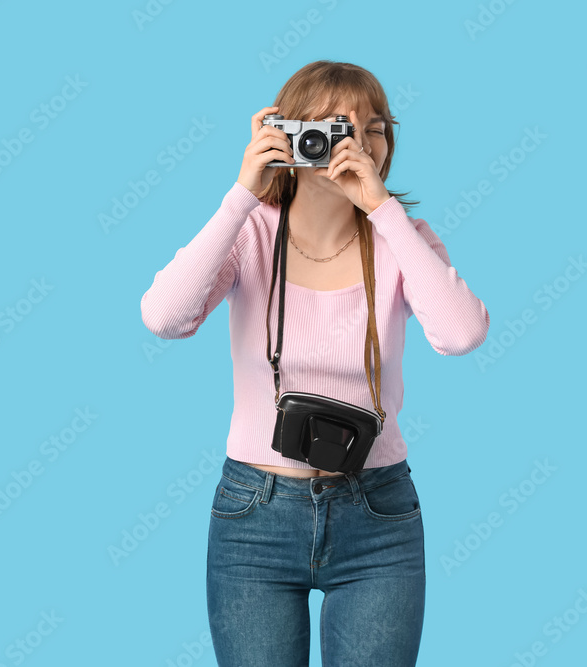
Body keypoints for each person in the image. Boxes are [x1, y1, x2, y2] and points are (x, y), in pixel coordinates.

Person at [139, 61, 490, 667]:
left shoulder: (403, 237)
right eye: (336, 125)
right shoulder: (249, 234)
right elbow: (165, 317)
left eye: (374, 127)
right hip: (255, 513)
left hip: (378, 513)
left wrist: (383, 211)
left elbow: (460, 334)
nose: (357, 141)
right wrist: (242, 193)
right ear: (288, 134)